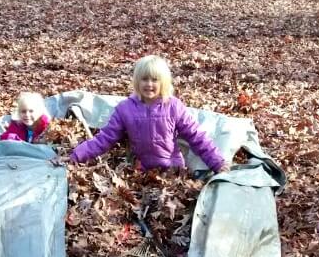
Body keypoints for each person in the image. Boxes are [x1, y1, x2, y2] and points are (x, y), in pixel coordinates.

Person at [68, 55, 228, 172]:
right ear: (137, 81)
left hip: (173, 171)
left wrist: (218, 164)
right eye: (144, 79)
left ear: (163, 82)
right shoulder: (125, 109)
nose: (149, 84)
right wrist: (75, 156)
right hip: (141, 171)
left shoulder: (173, 106)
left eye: (154, 79)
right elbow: (104, 139)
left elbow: (197, 137)